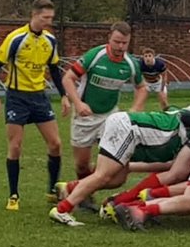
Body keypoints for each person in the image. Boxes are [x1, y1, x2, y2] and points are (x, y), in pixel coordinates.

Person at [48, 108, 190, 226]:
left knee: (118, 179)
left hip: (128, 131)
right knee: (103, 175)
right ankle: (63, 209)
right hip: (127, 127)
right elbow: (188, 115)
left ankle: (69, 189)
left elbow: (169, 167)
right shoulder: (187, 121)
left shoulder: (182, 143)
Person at [0, 0, 66, 211]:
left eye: (51, 18)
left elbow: (55, 70)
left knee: (56, 144)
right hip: (17, 98)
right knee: (15, 146)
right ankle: (13, 195)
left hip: (39, 97)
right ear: (34, 15)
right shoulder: (16, 38)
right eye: (44, 18)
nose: (48, 22)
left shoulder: (50, 41)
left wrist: (65, 96)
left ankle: (51, 189)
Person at [60, 22, 147, 189]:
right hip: (85, 116)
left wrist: (136, 108)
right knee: (82, 165)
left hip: (110, 117)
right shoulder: (95, 56)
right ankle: (82, 189)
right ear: (109, 38)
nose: (120, 46)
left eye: (124, 43)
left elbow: (142, 87)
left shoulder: (130, 64)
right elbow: (68, 78)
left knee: (116, 169)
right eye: (117, 41)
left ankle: (79, 190)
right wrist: (78, 104)